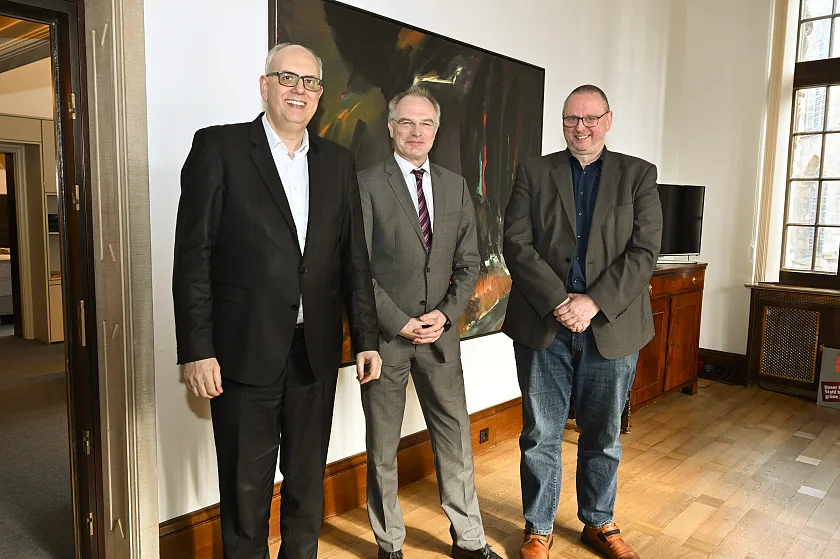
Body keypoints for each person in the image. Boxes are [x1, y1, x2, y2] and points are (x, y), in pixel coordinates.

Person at [172, 43, 382, 559]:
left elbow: (353, 260)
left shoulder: (338, 162)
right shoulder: (217, 150)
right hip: (241, 354)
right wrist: (197, 349)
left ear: (320, 97)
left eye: (310, 83)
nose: (299, 90)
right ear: (264, 85)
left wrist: (367, 338)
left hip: (313, 353)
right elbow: (192, 257)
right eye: (288, 78)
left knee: (308, 486)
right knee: (245, 492)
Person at [502, 84, 662, 559]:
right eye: (572, 119)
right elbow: (516, 242)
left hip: (612, 326)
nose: (581, 128)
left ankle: (599, 522)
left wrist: (592, 302)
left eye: (591, 119)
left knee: (603, 434)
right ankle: (538, 528)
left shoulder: (639, 175)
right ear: (563, 122)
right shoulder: (534, 171)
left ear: (608, 121)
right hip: (543, 325)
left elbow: (645, 251)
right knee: (540, 433)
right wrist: (559, 301)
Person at [357, 85, 500, 559]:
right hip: (387, 340)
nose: (416, 132)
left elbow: (469, 260)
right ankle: (389, 544)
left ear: (436, 131)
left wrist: (444, 314)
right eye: (406, 122)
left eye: (426, 124)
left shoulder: (455, 185)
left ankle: (469, 540)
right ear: (391, 127)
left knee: (456, 441)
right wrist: (399, 322)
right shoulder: (367, 183)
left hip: (441, 339)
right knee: (382, 450)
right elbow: (357, 269)